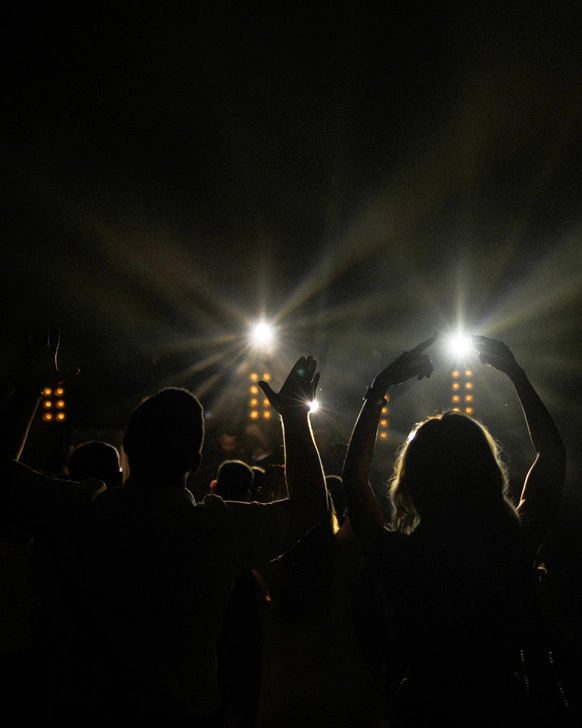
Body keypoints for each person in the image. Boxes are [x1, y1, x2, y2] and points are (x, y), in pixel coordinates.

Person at [0, 330, 328, 726]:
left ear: (127, 447)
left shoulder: (80, 512)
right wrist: (293, 415)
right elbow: (312, 507)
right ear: (195, 460)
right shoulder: (217, 530)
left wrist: (29, 390)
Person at [342, 334, 568, 727]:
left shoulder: (404, 559)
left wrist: (378, 389)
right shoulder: (510, 545)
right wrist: (516, 375)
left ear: (413, 480)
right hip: (501, 707)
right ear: (486, 471)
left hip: (424, 709)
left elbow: (354, 482)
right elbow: (552, 457)